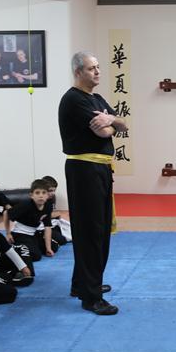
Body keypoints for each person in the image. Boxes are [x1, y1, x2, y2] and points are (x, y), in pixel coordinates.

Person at [59, 51, 127, 315]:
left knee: (97, 228)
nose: (97, 72)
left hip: (99, 169)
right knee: (91, 231)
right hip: (84, 169)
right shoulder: (74, 99)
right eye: (91, 68)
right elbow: (103, 132)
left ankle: (83, 284)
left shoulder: (96, 99)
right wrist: (111, 123)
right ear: (78, 72)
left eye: (98, 67)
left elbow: (122, 125)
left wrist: (112, 119)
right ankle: (91, 297)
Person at [7, 179, 55, 261]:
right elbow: (6, 214)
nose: (41, 196)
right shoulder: (26, 205)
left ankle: (30, 246)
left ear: (47, 195)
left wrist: (48, 248)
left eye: (44, 193)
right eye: (37, 193)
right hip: (20, 234)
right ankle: (12, 248)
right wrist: (8, 233)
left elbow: (47, 227)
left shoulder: (48, 206)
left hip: (33, 233)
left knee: (54, 246)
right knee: (36, 255)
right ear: (31, 195)